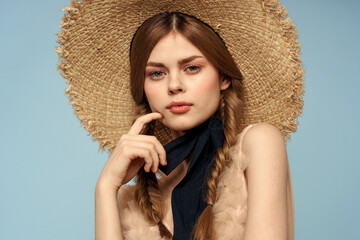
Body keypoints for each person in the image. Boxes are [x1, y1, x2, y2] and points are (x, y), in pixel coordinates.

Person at [56, 0, 304, 239]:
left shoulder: (258, 143)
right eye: (157, 73)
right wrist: (106, 187)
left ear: (224, 78)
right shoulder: (131, 203)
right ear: (143, 89)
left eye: (192, 68)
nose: (174, 85)